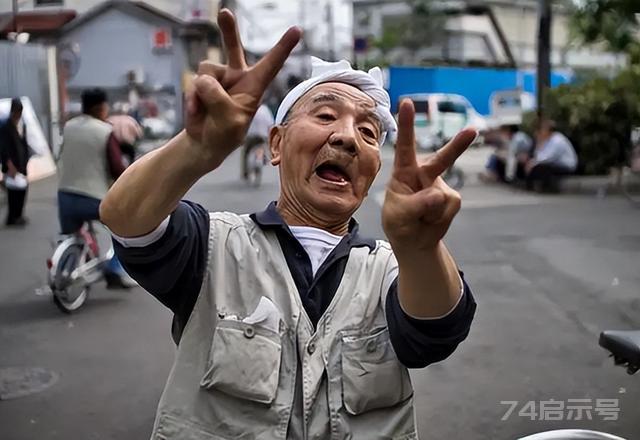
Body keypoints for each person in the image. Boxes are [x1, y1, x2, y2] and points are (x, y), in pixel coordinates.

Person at [100, 10, 476, 439]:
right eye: (325, 116)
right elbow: (126, 220)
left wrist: (422, 249)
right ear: (276, 145)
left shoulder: (392, 270)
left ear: (373, 171)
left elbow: (437, 332)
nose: (348, 137)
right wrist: (195, 149)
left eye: (369, 133)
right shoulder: (214, 245)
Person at [57, 88, 136, 289]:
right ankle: (114, 268)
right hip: (92, 198)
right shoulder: (105, 131)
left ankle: (64, 270)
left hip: (64, 196)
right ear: (100, 107)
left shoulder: (69, 126)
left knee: (71, 235)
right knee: (124, 227)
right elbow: (117, 168)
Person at [0, 98, 32, 226]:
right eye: (16, 112)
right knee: (13, 192)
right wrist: (9, 164)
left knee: (22, 190)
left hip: (21, 164)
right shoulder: (5, 127)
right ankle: (12, 218)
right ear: (12, 111)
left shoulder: (21, 125)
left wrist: (26, 160)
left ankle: (19, 215)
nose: (18, 115)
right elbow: (3, 148)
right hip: (11, 164)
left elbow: (24, 144)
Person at [522, 119, 578, 192]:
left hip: (566, 166)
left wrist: (533, 163)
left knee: (541, 167)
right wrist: (539, 144)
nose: (540, 132)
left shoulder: (558, 139)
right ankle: (530, 187)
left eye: (542, 130)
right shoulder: (547, 140)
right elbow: (539, 156)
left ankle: (547, 187)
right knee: (533, 165)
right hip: (555, 164)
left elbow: (549, 157)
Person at [241, 102, 274, 179]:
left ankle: (245, 172)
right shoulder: (265, 110)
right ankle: (263, 159)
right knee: (263, 147)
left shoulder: (250, 109)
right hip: (262, 136)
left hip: (251, 136)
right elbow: (270, 123)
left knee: (246, 152)